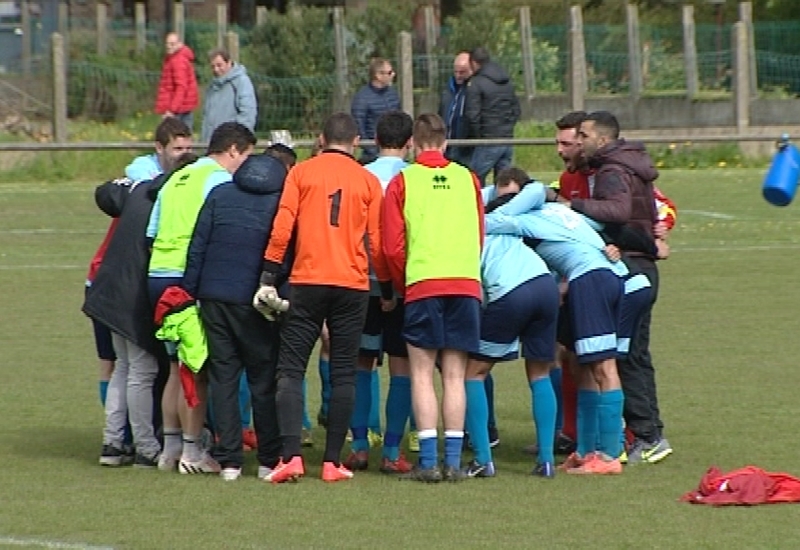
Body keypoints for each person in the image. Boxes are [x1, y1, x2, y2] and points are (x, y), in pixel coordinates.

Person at [256, 112, 393, 483]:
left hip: (308, 281)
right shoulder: (367, 181)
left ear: (320, 139)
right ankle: (333, 462)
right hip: (352, 285)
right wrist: (387, 287)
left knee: (291, 368)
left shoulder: (301, 173)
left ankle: (291, 457)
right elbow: (377, 242)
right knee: (344, 370)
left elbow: (282, 225)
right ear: (357, 141)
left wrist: (269, 276)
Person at [484, 177, 633, 475]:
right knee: (584, 367)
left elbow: (486, 225)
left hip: (591, 280)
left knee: (604, 369)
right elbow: (605, 228)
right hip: (616, 279)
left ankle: (609, 456)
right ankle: (586, 451)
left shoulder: (524, 221)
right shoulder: (561, 213)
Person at [147, 122, 255, 475]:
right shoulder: (219, 182)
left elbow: (152, 232)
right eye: (247, 157)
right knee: (197, 369)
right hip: (185, 278)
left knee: (176, 368)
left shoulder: (177, 178)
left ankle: (171, 447)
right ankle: (193, 452)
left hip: (157, 275)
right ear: (234, 150)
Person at [382, 113, 484, 482]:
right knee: (455, 375)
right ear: (446, 141)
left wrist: (399, 283)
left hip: (423, 282)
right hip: (464, 281)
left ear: (412, 142)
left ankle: (427, 462)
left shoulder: (403, 181)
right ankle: (453, 463)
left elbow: (392, 247)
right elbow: (479, 233)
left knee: (421, 374)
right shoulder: (467, 178)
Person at [83, 117, 193, 453]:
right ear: (159, 149)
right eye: (177, 148)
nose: (182, 154)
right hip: (126, 292)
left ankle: (114, 443)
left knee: (124, 369)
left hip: (109, 287)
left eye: (188, 148)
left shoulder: (140, 188)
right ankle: (145, 445)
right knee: (140, 370)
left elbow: (106, 194)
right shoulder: (156, 190)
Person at [572, 111, 672, 464]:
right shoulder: (631, 163)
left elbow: (617, 211)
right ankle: (648, 432)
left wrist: (572, 206)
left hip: (632, 266)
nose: (579, 141)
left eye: (583, 135)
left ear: (601, 139)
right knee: (635, 353)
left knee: (625, 353)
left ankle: (647, 435)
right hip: (641, 263)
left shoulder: (613, 170)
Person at [182, 153, 289, 481]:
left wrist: (191, 290)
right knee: (262, 380)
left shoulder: (220, 194)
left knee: (223, 378)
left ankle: (229, 460)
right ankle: (269, 459)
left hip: (214, 296)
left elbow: (198, 245)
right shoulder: (280, 203)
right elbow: (285, 252)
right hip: (255, 300)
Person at [464, 173, 560, 479]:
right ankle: (546, 460)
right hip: (545, 286)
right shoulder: (506, 224)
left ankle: (483, 459)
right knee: (540, 372)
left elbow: (477, 291)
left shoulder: (470, 230)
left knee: (473, 373)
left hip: (511, 292)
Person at [344, 110, 415, 474]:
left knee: (361, 362)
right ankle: (391, 452)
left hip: (360, 281)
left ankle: (358, 446)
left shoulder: (360, 175)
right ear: (410, 143)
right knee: (403, 365)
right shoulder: (412, 177)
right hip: (403, 283)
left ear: (374, 140)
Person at [463, 47, 520, 185]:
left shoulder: (476, 83)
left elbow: (472, 115)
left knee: (473, 179)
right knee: (505, 183)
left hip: (488, 139)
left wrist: (477, 137)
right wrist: (507, 128)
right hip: (507, 139)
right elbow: (516, 109)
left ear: (473, 63)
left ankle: (476, 205)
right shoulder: (506, 81)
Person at [200, 49, 258, 143]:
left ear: (229, 63)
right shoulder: (212, 87)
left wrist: (236, 139)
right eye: (213, 66)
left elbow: (248, 114)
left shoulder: (241, 82)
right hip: (211, 143)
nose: (216, 69)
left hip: (232, 143)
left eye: (219, 65)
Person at [351, 57, 401, 164]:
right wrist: (373, 151)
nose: (393, 75)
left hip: (394, 152)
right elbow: (359, 126)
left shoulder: (393, 94)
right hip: (372, 155)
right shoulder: (362, 98)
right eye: (389, 72)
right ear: (378, 75)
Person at [154, 32, 199, 132]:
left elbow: (181, 87)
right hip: (182, 107)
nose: (169, 47)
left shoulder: (178, 61)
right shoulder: (175, 59)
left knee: (174, 139)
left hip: (178, 109)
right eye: (167, 44)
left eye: (172, 44)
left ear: (180, 44)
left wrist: (172, 110)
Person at [439, 51, 473, 166]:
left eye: (462, 72)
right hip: (447, 143)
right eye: (456, 72)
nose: (458, 75)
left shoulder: (474, 89)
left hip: (466, 145)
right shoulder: (448, 89)